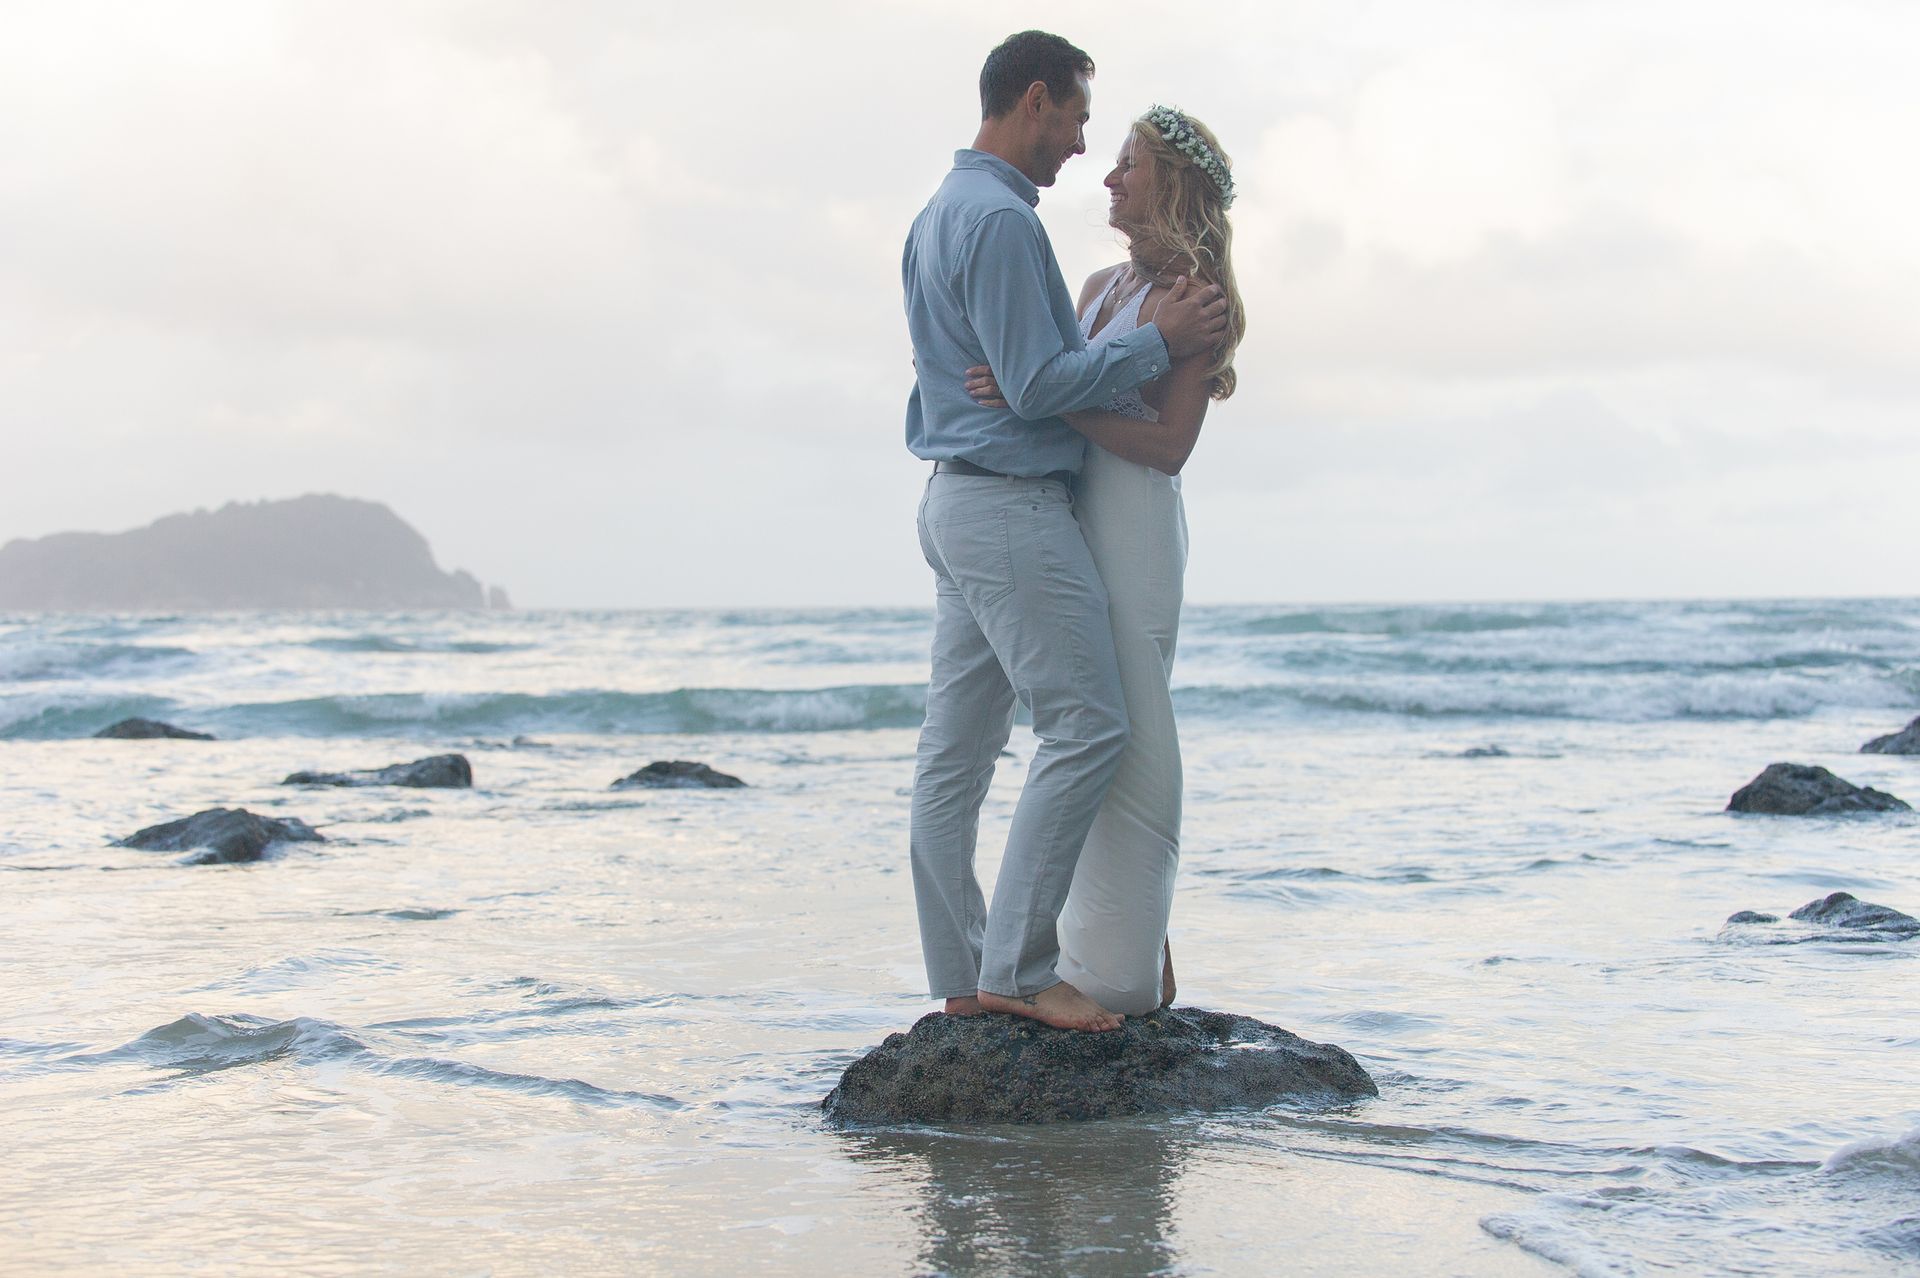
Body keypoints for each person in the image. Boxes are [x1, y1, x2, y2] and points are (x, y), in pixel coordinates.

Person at [903, 32, 1230, 1032]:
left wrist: (1039, 385)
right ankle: (1016, 968)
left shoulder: (938, 213)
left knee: (956, 757)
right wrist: (1150, 345)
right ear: (1036, 100)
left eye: (1116, 148)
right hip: (1008, 506)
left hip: (963, 499)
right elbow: (1039, 382)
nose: (1087, 152)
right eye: (1081, 121)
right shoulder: (1003, 221)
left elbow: (1044, 388)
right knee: (1088, 727)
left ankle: (965, 974)